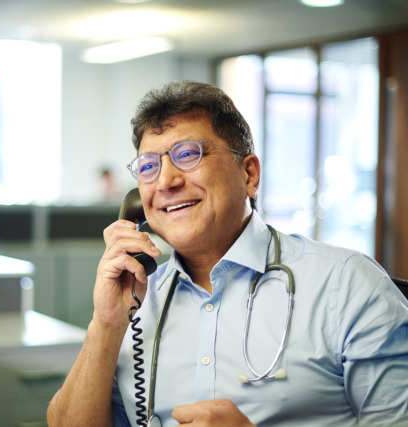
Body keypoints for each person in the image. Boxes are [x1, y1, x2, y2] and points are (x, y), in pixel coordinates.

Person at [47, 81, 408, 426]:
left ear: (249, 174)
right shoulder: (135, 301)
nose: (166, 181)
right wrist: (107, 323)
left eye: (188, 155)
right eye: (148, 167)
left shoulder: (347, 285)